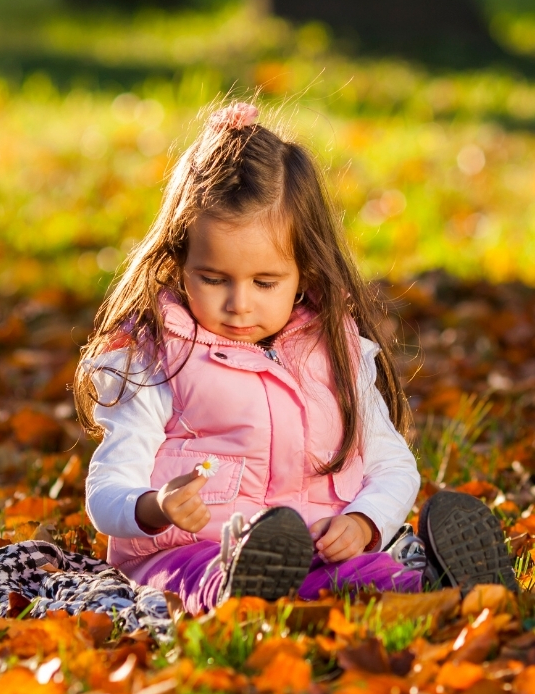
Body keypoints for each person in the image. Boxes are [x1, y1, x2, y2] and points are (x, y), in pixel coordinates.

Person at [75, 101, 516, 614]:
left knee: (370, 572)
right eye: (213, 279)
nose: (239, 303)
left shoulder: (337, 352)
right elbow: (107, 488)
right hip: (185, 556)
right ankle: (249, 594)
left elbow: (392, 464)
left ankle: (448, 594)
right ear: (179, 262)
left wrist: (364, 521)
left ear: (304, 271)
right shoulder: (157, 357)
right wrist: (153, 508)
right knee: (205, 577)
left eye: (265, 282)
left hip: (316, 554)